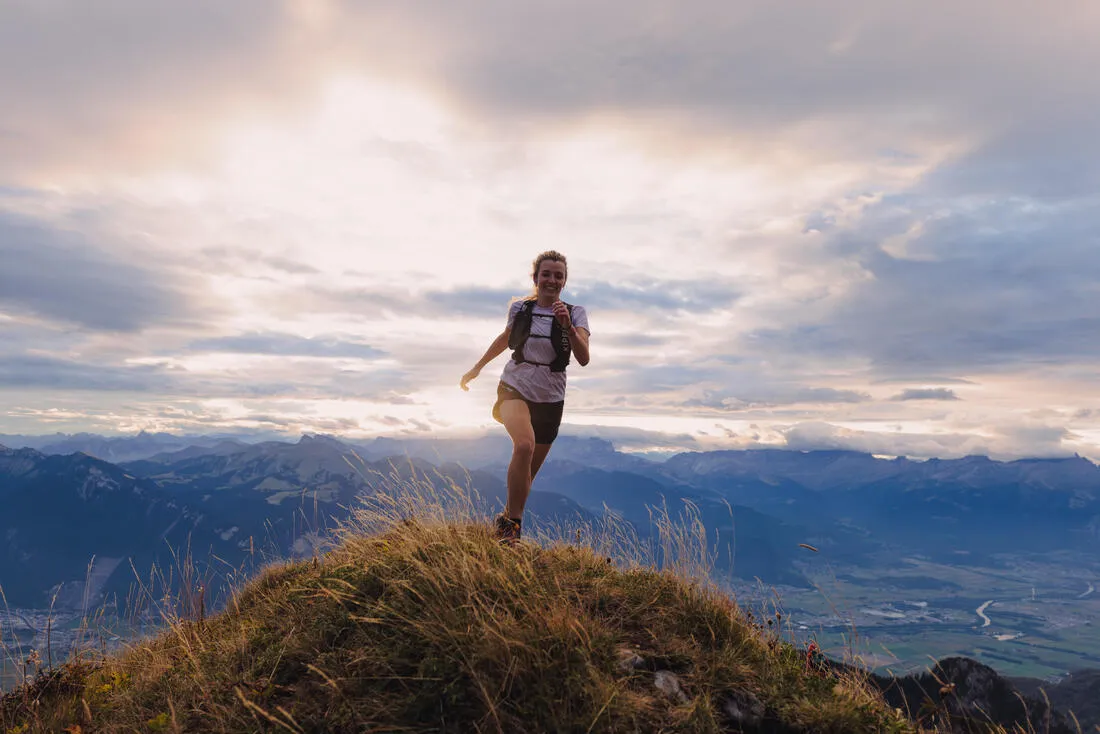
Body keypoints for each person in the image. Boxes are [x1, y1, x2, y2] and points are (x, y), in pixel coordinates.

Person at [460, 250, 590, 543]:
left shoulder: (576, 312)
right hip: (514, 386)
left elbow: (583, 358)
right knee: (524, 445)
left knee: (527, 474)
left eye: (559, 276)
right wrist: (477, 367)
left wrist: (567, 324)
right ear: (535, 278)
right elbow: (505, 338)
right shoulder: (520, 309)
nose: (552, 280)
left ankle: (505, 520)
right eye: (546, 274)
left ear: (565, 281)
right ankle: (513, 530)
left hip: (551, 398)